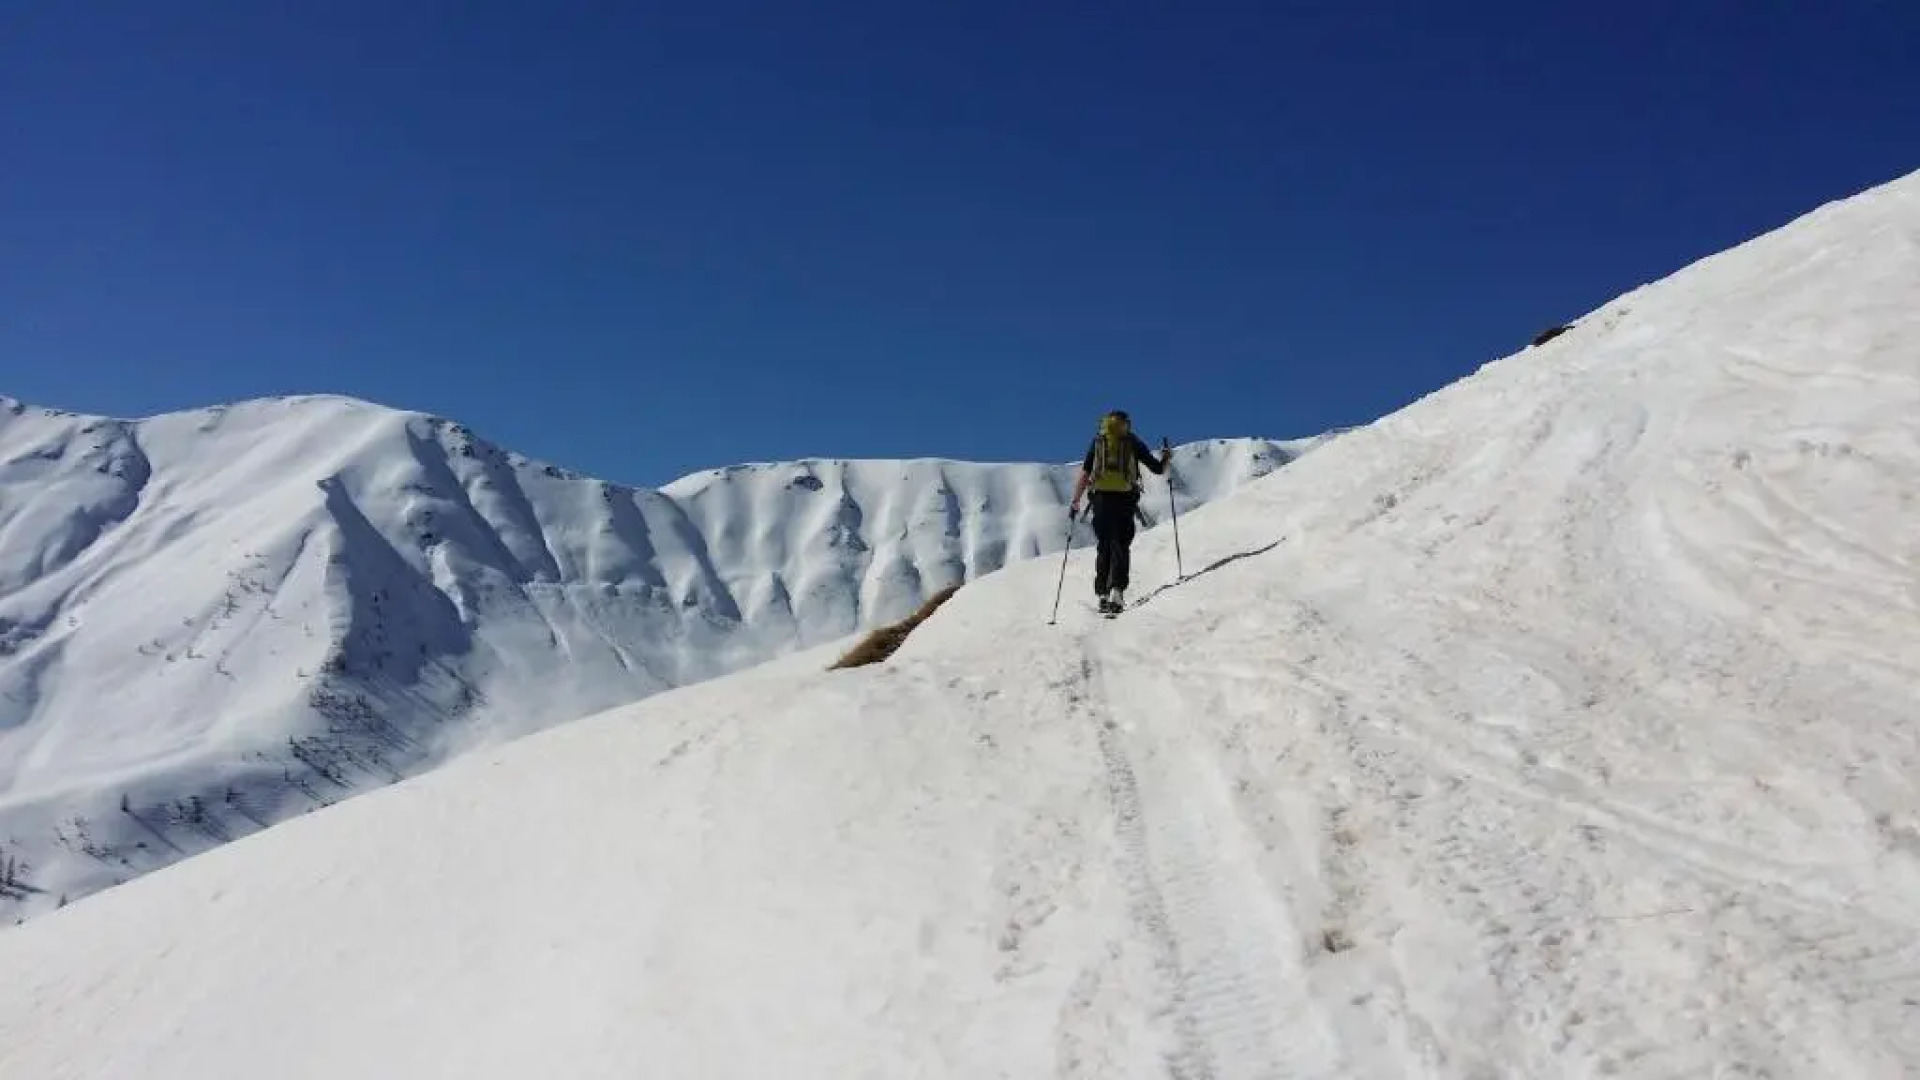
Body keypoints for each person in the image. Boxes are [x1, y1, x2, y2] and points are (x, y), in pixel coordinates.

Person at [1068, 409, 1171, 613]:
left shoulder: (1099, 442)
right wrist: (1166, 458)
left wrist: (1076, 500)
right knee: (1121, 544)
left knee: (1104, 545)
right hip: (1125, 499)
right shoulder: (1132, 441)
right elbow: (1157, 469)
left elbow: (1086, 472)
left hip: (1100, 499)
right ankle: (1116, 591)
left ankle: (1102, 594)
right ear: (1126, 424)